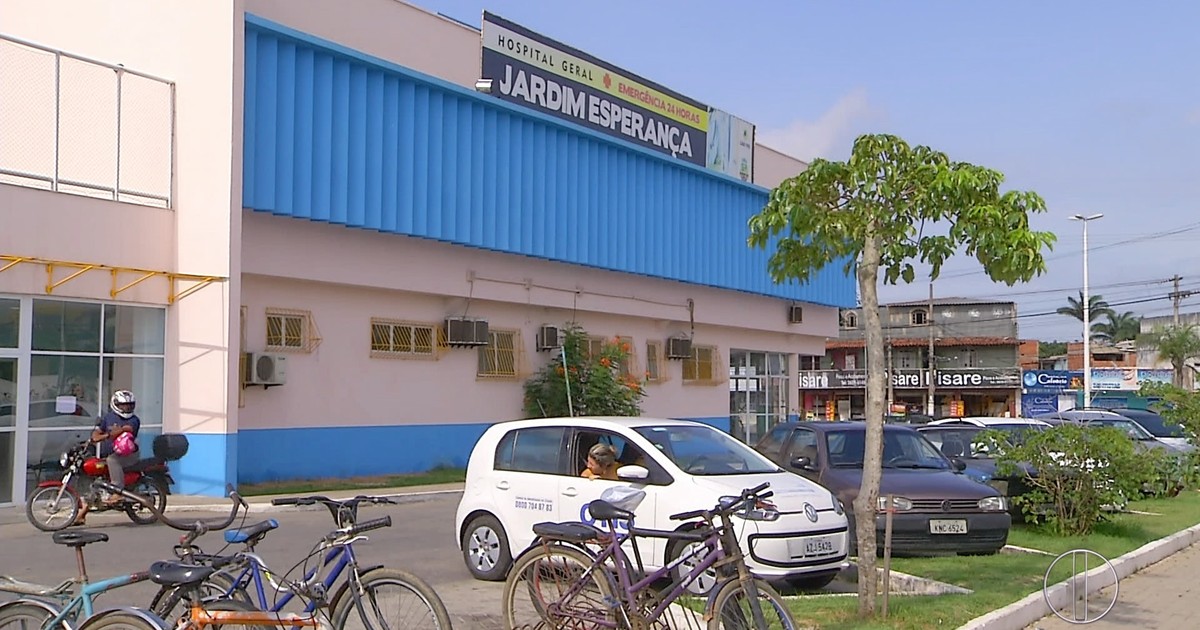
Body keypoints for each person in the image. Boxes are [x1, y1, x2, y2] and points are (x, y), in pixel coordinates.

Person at [92, 390, 141, 504]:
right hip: (109, 453)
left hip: (129, 455)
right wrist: (95, 437)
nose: (127, 408)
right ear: (116, 404)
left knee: (112, 460)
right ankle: (81, 515)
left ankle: (117, 491)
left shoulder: (134, 420)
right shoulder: (108, 418)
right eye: (123, 405)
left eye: (129, 405)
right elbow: (96, 433)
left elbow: (128, 429)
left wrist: (109, 434)